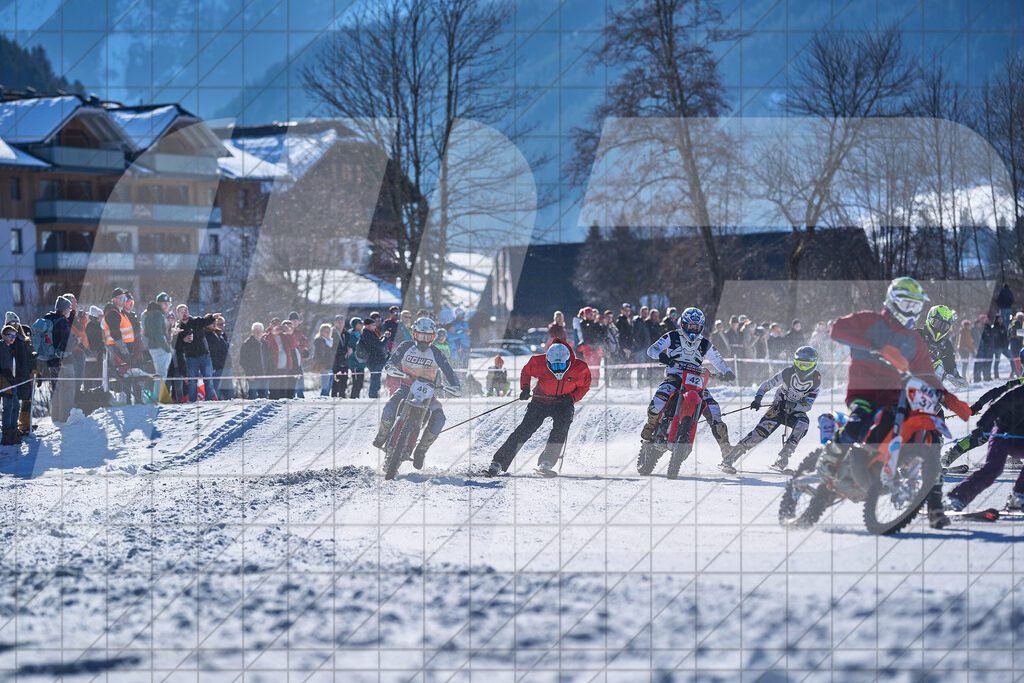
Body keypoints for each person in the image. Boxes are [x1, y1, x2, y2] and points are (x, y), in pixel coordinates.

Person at [825, 277, 971, 529]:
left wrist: (950, 396)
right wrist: (876, 347)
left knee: (932, 445)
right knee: (865, 427)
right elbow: (840, 330)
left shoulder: (931, 342)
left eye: (915, 306)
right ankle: (834, 458)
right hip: (878, 391)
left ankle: (935, 507)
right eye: (906, 304)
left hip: (916, 397)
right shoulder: (894, 328)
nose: (911, 311)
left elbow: (934, 370)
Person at [639, 307, 735, 459]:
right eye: (690, 326)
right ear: (683, 324)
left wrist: (727, 371)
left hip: (696, 379)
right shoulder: (672, 336)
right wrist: (662, 357)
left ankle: (726, 449)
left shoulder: (704, 343)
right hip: (675, 375)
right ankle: (651, 425)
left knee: (714, 408)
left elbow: (717, 358)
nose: (692, 329)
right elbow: (652, 350)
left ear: (700, 327)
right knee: (658, 401)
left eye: (695, 327)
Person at [485, 340, 592, 477]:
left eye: (561, 365)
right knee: (524, 430)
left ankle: (546, 462)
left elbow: (585, 386)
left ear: (568, 361)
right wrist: (525, 388)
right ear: (547, 362)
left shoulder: (580, 368)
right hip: (541, 400)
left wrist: (572, 398)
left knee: (560, 431)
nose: (558, 368)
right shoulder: (538, 362)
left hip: (564, 402)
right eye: (555, 365)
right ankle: (498, 462)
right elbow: (526, 372)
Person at [372, 318, 461, 466]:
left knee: (440, 418)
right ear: (414, 334)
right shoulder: (406, 346)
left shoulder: (436, 352)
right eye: (421, 336)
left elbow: (448, 371)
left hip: (428, 392)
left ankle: (421, 450)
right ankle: (383, 434)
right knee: (390, 406)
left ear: (433, 337)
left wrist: (456, 386)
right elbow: (392, 361)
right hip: (406, 387)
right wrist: (391, 367)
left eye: (428, 337)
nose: (424, 340)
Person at [719, 346, 821, 474]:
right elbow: (767, 384)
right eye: (801, 364)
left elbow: (808, 404)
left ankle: (782, 459)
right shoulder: (788, 373)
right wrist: (758, 398)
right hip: (778, 408)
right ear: (795, 362)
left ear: (813, 364)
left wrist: (794, 406)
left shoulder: (816, 380)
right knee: (759, 434)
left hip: (795, 411)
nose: (803, 368)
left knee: (803, 424)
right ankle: (729, 459)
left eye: (807, 365)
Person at [945, 370, 1024, 512]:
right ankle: (957, 497)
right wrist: (981, 420)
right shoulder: (1019, 388)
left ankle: (1019, 495)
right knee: (993, 467)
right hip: (1003, 432)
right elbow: (995, 401)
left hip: (1020, 439)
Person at [916, 305, 968, 391]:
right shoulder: (916, 335)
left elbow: (950, 366)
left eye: (944, 326)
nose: (940, 329)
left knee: (940, 367)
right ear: (930, 319)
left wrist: (956, 377)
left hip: (930, 387)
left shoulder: (946, 345)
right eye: (937, 324)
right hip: (908, 379)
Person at [42, 296, 75, 422]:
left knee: (55, 388)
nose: (69, 311)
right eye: (69, 308)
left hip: (50, 360)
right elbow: (68, 342)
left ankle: (55, 416)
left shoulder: (48, 319)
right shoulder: (62, 322)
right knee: (67, 388)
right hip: (64, 361)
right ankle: (65, 417)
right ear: (64, 309)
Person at [174, 306, 217, 402]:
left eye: (186, 311)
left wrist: (213, 317)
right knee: (192, 382)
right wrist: (183, 340)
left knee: (208, 379)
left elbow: (206, 321)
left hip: (204, 355)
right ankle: (192, 402)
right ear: (178, 314)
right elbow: (176, 346)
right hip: (190, 358)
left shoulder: (196, 321)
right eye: (181, 312)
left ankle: (210, 400)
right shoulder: (178, 328)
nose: (184, 313)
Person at [144, 292, 173, 399]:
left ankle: (158, 397)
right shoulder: (157, 314)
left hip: (154, 347)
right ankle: (158, 398)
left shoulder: (150, 314)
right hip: (159, 348)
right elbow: (158, 334)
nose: (167, 305)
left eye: (168, 303)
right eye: (164, 303)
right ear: (158, 303)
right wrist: (166, 348)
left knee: (159, 375)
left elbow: (147, 333)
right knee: (161, 375)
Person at [356, 316, 388, 398]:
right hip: (374, 360)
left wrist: (383, 338)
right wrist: (386, 338)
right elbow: (379, 345)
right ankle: (372, 397)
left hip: (376, 360)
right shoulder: (367, 334)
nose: (375, 326)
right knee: (375, 381)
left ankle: (374, 395)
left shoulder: (371, 333)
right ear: (367, 326)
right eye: (373, 325)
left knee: (377, 381)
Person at [0, 324, 20, 445]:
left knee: (15, 406)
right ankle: (7, 434)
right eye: (10, 335)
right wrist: (11, 380)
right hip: (5, 382)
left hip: (11, 381)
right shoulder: (2, 347)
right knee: (8, 407)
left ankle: (13, 431)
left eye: (14, 335)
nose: (13, 338)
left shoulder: (8, 347)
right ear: (3, 335)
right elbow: (4, 367)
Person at [239, 322, 270, 399]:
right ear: (252, 332)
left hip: (265, 375)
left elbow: (269, 359)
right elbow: (243, 361)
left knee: (264, 397)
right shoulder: (247, 344)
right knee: (252, 396)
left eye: (260, 331)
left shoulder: (265, 343)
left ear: (263, 332)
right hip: (253, 376)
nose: (258, 333)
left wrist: (269, 372)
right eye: (256, 331)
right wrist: (249, 373)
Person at [207, 314, 232, 400]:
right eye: (218, 324)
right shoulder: (209, 336)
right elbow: (210, 353)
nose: (221, 326)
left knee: (229, 394)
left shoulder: (222, 335)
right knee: (217, 393)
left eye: (222, 324)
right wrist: (213, 366)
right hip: (217, 369)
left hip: (227, 367)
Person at [287, 312, 310, 398]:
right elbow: (291, 345)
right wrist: (298, 345)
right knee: (293, 378)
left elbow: (307, 342)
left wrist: (300, 344)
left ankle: (300, 394)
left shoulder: (298, 332)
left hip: (299, 359)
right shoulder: (287, 331)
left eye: (296, 321)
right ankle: (292, 395)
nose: (295, 322)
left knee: (300, 377)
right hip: (290, 360)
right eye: (293, 320)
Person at [312, 323, 336, 397]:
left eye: (329, 331)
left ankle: (326, 399)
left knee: (329, 386)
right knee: (325, 387)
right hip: (324, 366)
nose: (328, 333)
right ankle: (323, 400)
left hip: (331, 366)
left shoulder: (330, 341)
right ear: (321, 332)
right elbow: (318, 355)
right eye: (326, 331)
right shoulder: (319, 341)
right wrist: (326, 362)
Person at [330, 315, 351, 398]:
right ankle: (333, 398)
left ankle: (343, 397)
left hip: (344, 361)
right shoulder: (332, 333)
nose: (340, 324)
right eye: (338, 322)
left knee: (344, 381)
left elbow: (348, 345)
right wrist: (345, 351)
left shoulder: (346, 334)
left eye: (342, 322)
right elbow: (333, 348)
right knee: (335, 382)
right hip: (334, 361)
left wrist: (350, 349)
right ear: (335, 323)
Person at [347, 317, 365, 398]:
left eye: (362, 323)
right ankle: (353, 398)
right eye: (359, 323)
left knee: (360, 383)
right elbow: (349, 349)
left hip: (361, 363)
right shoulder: (350, 335)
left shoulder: (362, 335)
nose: (361, 325)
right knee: (356, 382)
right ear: (354, 324)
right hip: (354, 362)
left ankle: (356, 397)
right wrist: (356, 355)